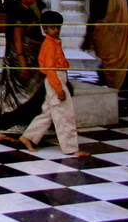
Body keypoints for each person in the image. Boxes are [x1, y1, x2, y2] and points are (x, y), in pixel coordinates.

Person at [20, 11, 90, 158]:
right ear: (44, 29)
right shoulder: (49, 45)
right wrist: (59, 88)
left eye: (58, 27)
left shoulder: (54, 43)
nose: (56, 30)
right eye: (52, 27)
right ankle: (71, 148)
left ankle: (28, 137)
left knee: (48, 113)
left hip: (57, 79)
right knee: (65, 114)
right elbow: (50, 69)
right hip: (54, 81)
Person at [0, 0, 47, 139]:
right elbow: (17, 39)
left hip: (30, 59)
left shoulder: (27, 11)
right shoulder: (20, 12)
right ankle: (8, 128)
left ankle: (23, 129)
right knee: (18, 94)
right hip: (21, 60)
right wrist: (23, 64)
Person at [82, 0, 128, 91]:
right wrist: (88, 37)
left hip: (113, 36)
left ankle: (112, 87)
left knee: (112, 63)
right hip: (108, 36)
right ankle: (111, 87)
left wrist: (87, 37)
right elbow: (94, 16)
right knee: (110, 63)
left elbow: (94, 17)